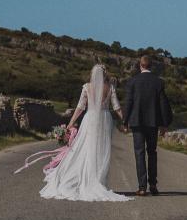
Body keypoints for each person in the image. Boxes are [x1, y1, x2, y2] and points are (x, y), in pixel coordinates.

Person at [40, 64, 130, 202]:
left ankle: (86, 178)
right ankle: (98, 181)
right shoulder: (110, 87)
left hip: (91, 118)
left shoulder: (87, 87)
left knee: (86, 148)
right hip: (105, 119)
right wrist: (124, 120)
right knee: (101, 150)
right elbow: (117, 106)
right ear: (104, 74)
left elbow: (80, 107)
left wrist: (71, 123)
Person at [122, 55, 174, 196]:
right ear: (151, 66)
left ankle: (142, 187)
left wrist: (125, 121)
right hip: (153, 123)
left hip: (137, 122)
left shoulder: (132, 81)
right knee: (152, 153)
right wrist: (164, 124)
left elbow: (129, 103)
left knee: (139, 153)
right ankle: (153, 185)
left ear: (140, 65)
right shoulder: (158, 82)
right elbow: (163, 104)